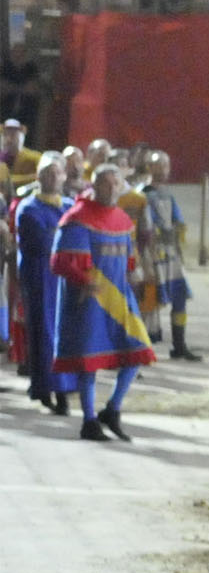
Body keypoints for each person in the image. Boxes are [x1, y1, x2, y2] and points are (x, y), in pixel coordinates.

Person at [49, 162, 155, 443]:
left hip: (120, 298)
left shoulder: (122, 219)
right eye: (105, 183)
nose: (111, 189)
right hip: (90, 301)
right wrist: (84, 280)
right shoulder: (77, 218)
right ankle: (89, 420)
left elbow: (129, 260)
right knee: (89, 362)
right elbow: (60, 262)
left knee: (138, 351)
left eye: (115, 183)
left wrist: (135, 274)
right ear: (94, 185)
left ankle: (112, 409)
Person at [13, 155, 69, 414]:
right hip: (40, 278)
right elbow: (44, 243)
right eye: (46, 172)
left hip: (65, 278)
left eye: (56, 172)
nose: (51, 177)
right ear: (37, 176)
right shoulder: (28, 208)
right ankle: (48, 388)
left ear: (64, 176)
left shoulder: (69, 206)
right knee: (45, 334)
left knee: (66, 334)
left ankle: (65, 387)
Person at [139, 151, 201, 361]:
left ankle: (179, 345)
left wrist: (177, 233)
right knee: (149, 302)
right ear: (150, 167)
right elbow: (145, 226)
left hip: (170, 252)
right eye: (160, 165)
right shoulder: (142, 194)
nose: (164, 170)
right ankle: (141, 348)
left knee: (180, 295)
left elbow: (177, 220)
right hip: (153, 253)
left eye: (166, 165)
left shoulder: (167, 194)